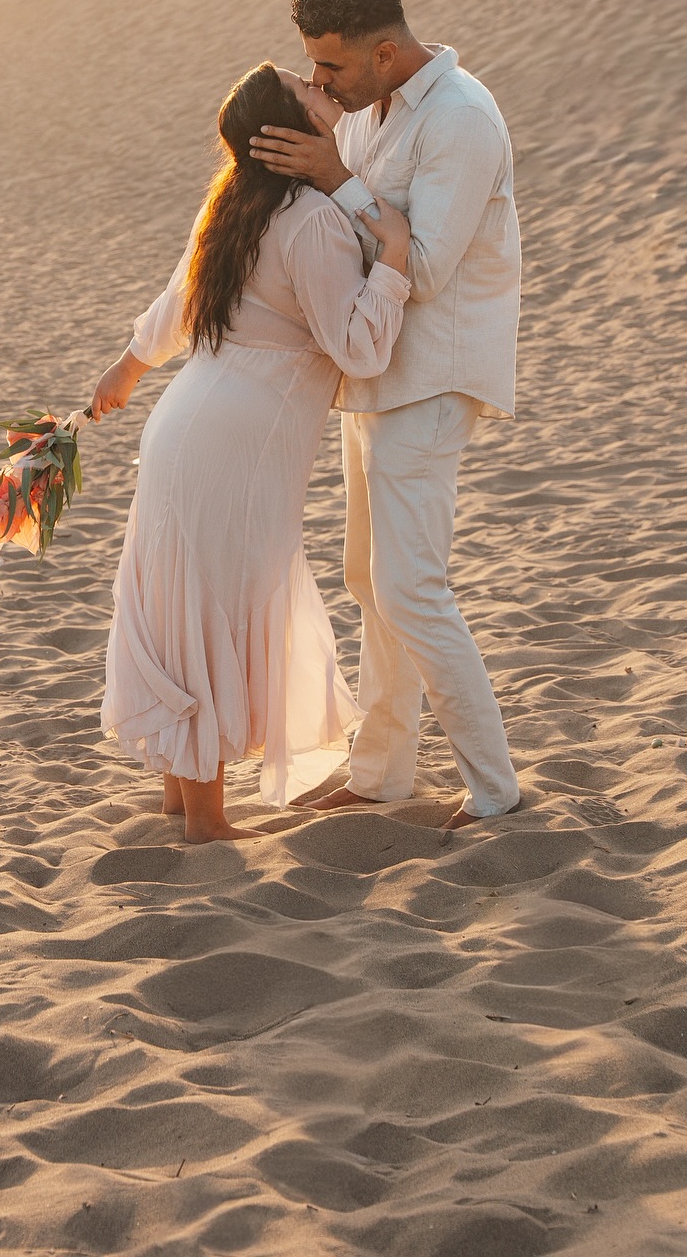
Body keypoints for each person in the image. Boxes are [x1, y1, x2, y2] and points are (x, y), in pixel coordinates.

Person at [89, 62, 413, 843]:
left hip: (185, 421)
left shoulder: (231, 204)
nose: (316, 83)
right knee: (220, 608)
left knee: (181, 603)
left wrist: (129, 367)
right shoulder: (312, 220)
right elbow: (358, 347)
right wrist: (395, 261)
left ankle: (182, 797)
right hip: (245, 436)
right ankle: (207, 823)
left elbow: (176, 307)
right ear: (289, 131)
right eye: (305, 89)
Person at [249, 0, 522, 829]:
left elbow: (428, 267)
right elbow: (352, 230)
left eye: (330, 67)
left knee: (412, 588)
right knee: (370, 580)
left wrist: (337, 179)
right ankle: (382, 775)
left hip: (434, 376)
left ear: (383, 49)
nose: (321, 82)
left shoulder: (462, 118)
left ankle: (495, 788)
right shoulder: (369, 114)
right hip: (373, 376)